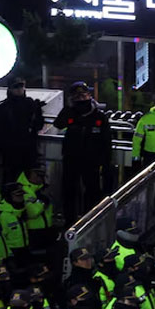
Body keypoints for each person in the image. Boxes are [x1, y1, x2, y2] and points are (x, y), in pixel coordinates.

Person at [53, 81, 111, 223]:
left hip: (91, 161)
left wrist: (105, 162)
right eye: (77, 96)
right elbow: (58, 124)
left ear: (89, 96)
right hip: (71, 159)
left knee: (92, 192)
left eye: (83, 95)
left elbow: (107, 141)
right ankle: (70, 222)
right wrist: (69, 108)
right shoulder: (70, 113)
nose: (81, 98)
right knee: (69, 191)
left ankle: (89, 221)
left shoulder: (98, 116)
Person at [0, 77, 44, 183]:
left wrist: (38, 112)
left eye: (21, 86)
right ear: (10, 89)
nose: (19, 89)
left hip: (28, 149)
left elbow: (38, 125)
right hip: (10, 150)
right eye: (16, 87)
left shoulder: (30, 103)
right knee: (11, 179)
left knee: (29, 180)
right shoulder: (3, 107)